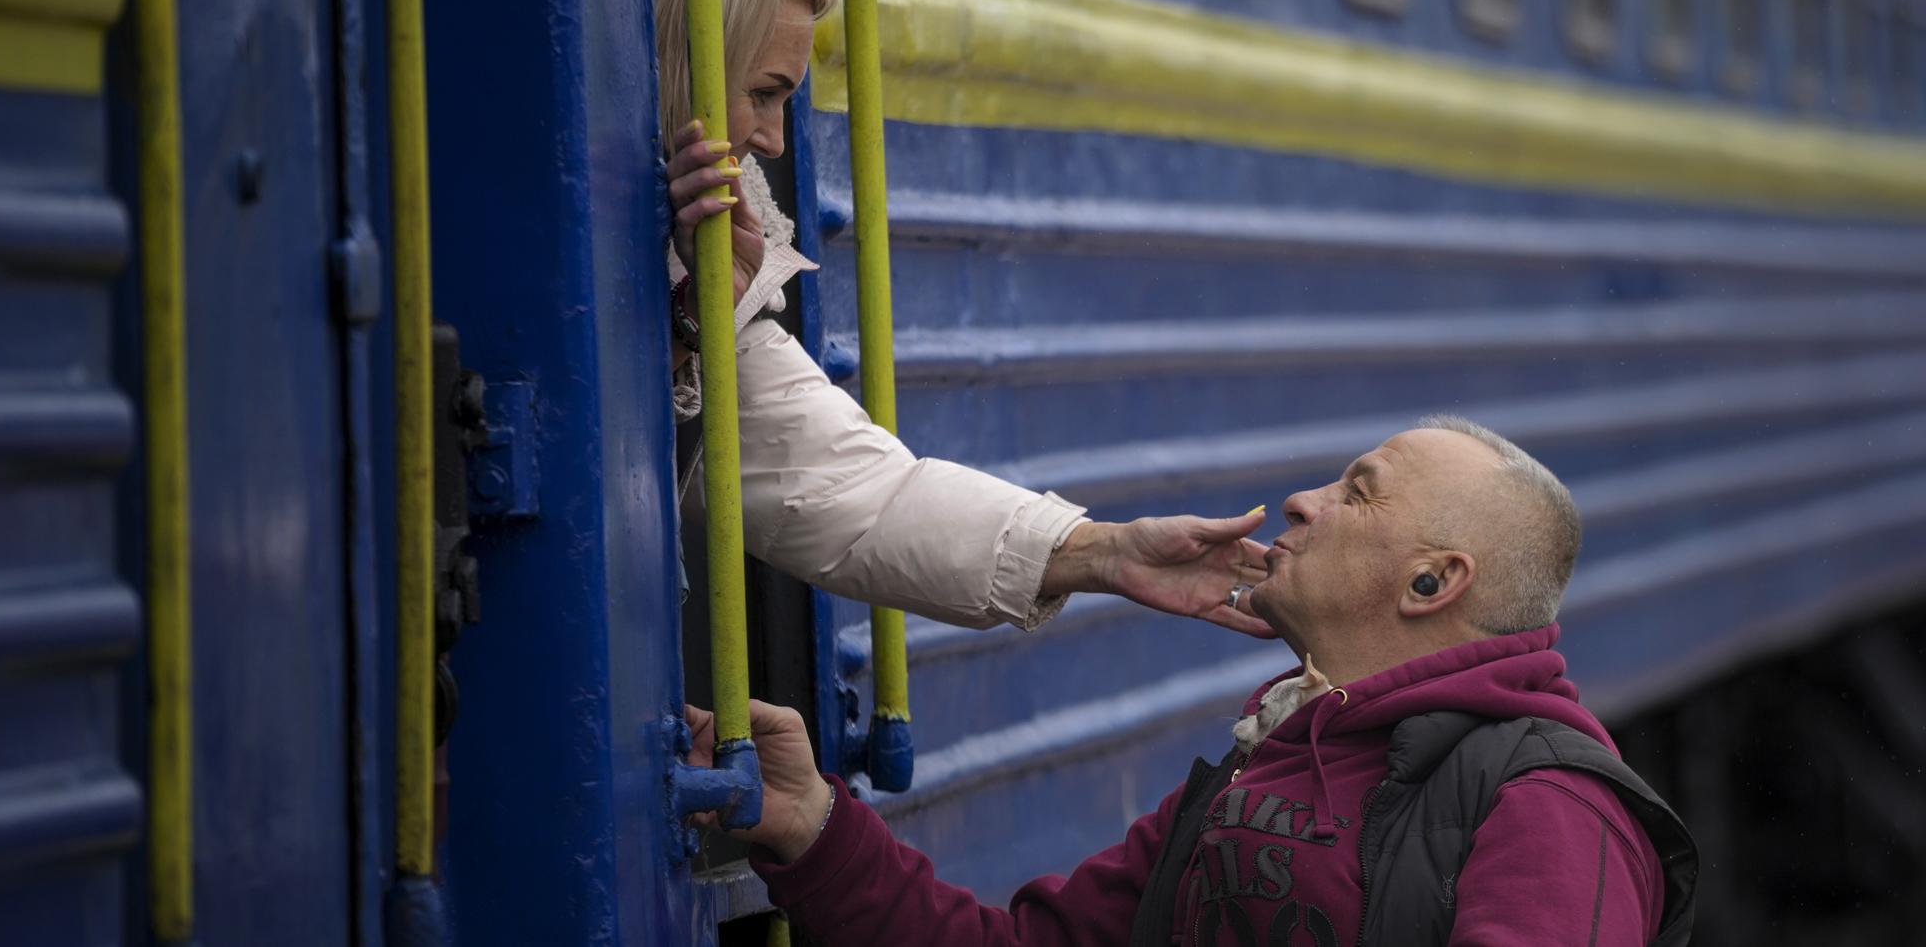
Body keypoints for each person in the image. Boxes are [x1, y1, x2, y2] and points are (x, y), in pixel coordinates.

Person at [691, 416, 1701, 946]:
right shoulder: (1257, 769)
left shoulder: (1551, 805)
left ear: (1432, 580)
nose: (1300, 501)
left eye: (1356, 491)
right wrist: (812, 822)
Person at [652, 0, 1273, 635]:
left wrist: (1105, 553)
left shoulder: (716, 241)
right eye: (763, 92)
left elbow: (857, 493)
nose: (775, 140)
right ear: (677, 55)